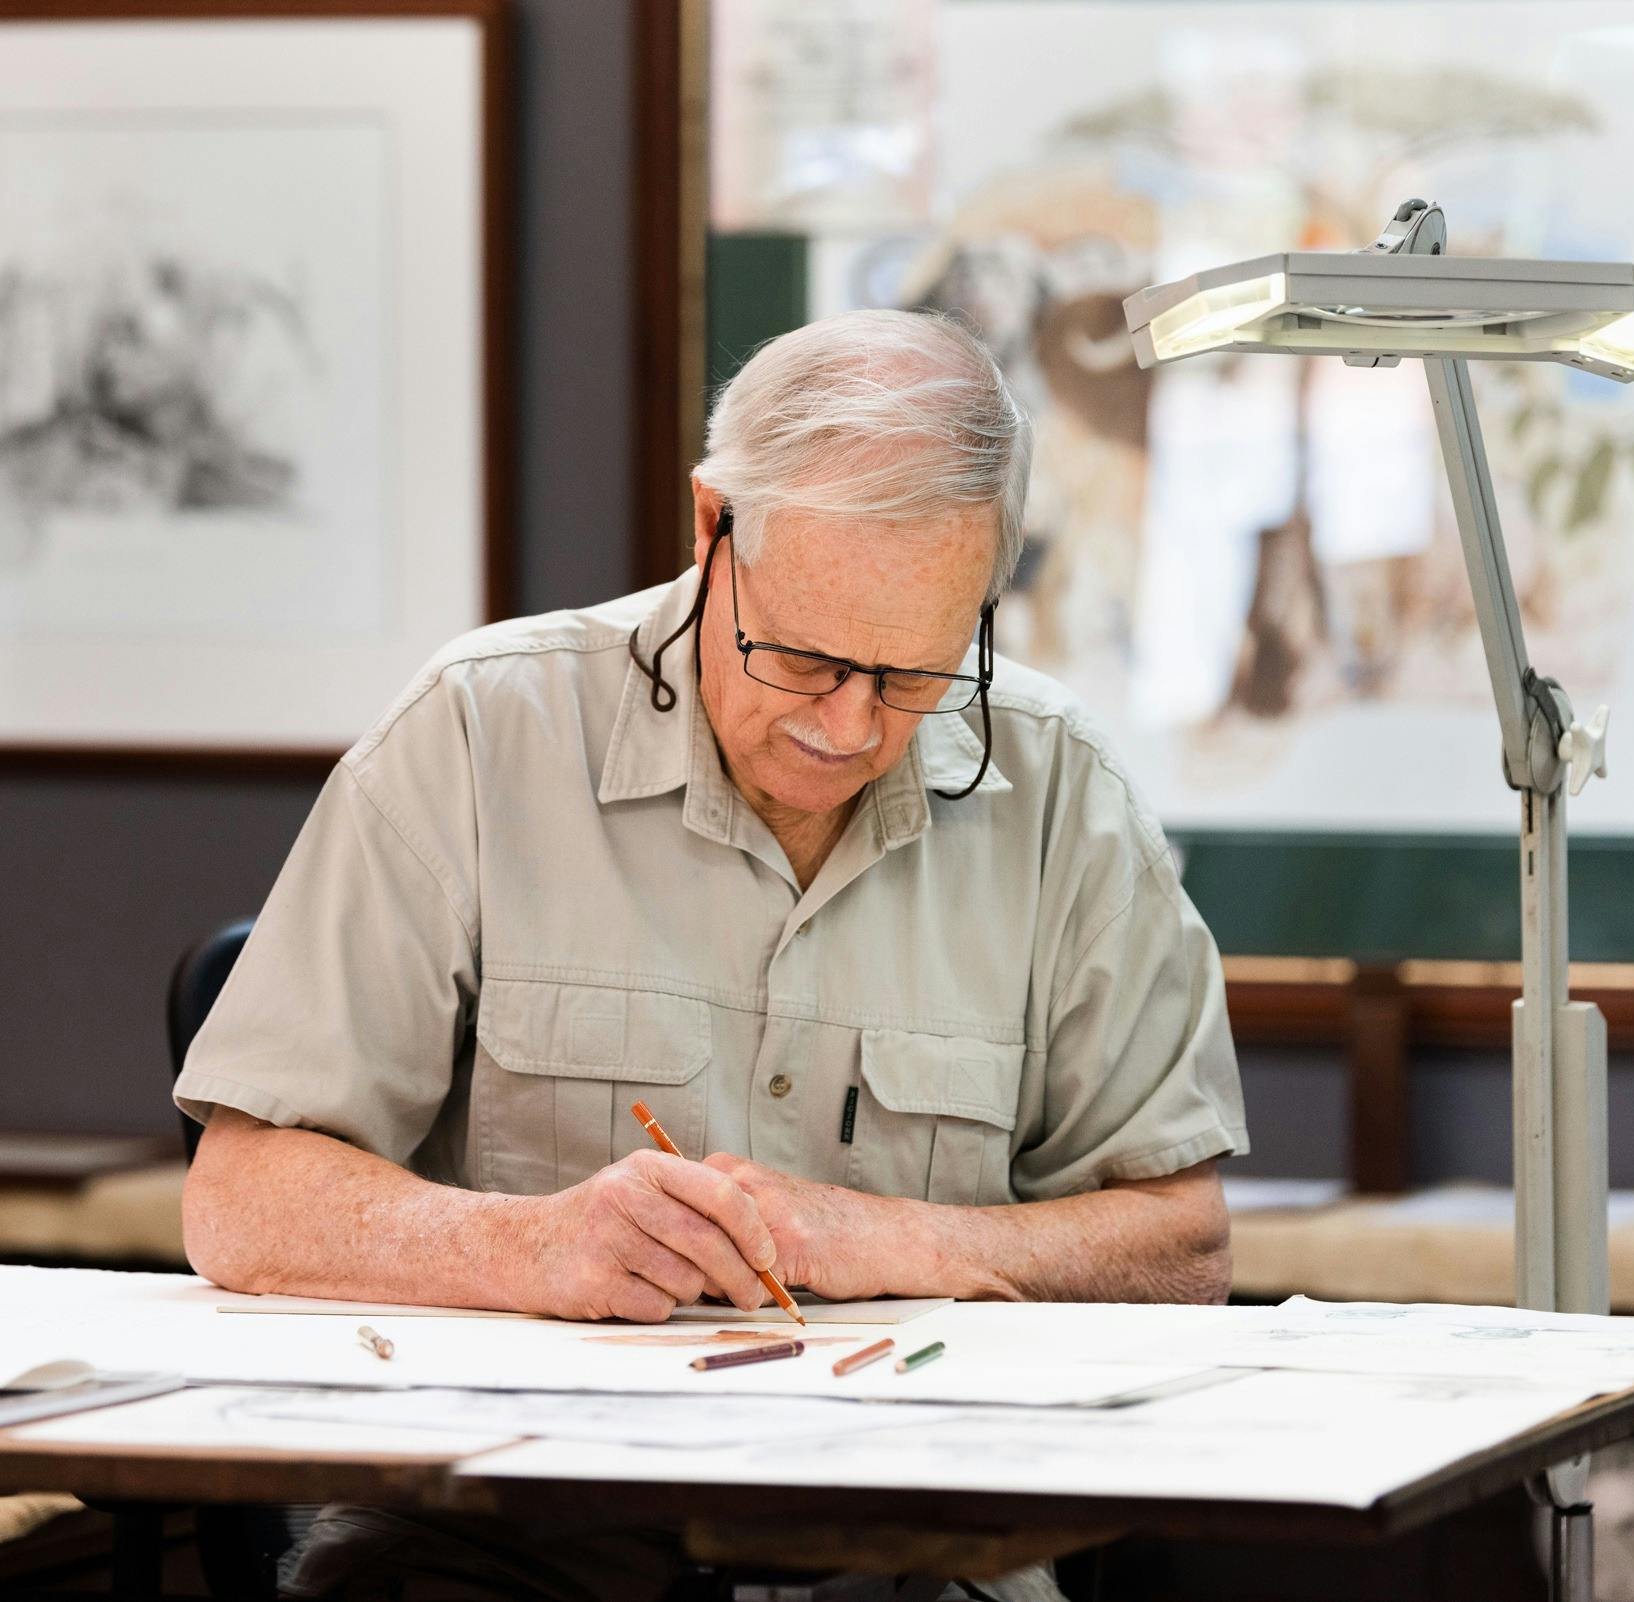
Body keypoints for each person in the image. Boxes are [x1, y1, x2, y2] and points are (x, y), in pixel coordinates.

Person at [176, 309, 1249, 1601]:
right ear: (710, 528)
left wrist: (891, 1237)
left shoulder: (1062, 794)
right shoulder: (480, 733)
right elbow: (239, 1196)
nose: (850, 725)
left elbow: (1183, 1247)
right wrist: (526, 1246)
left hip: (913, 1551)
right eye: (801, 655)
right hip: (515, 1543)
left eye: (915, 674)